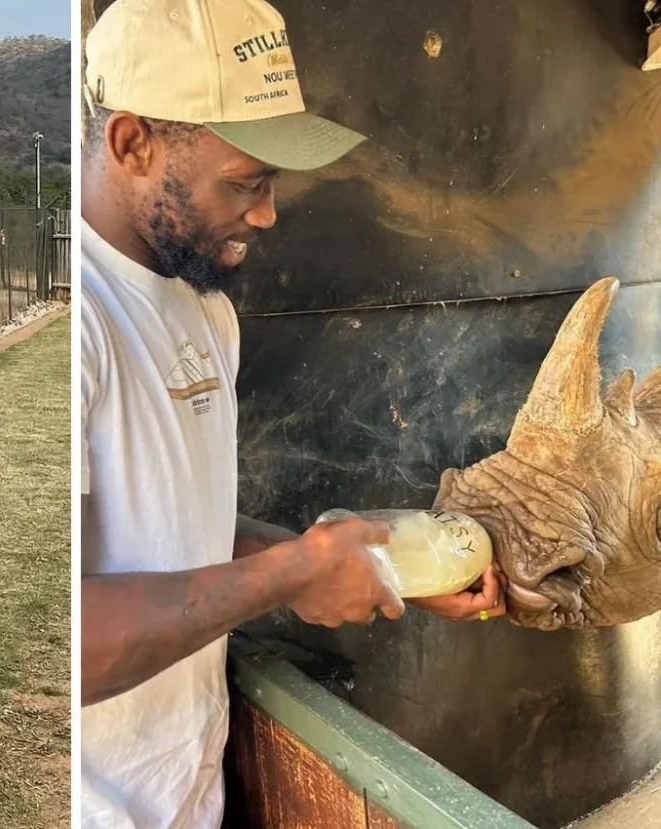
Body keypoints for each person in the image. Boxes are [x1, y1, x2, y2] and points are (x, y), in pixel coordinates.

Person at [78, 0, 507, 825]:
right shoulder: (89, 323)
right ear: (132, 142)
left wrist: (380, 568)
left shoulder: (205, 309)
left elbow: (179, 530)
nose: (268, 213)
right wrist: (290, 574)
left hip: (188, 793)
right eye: (245, 181)